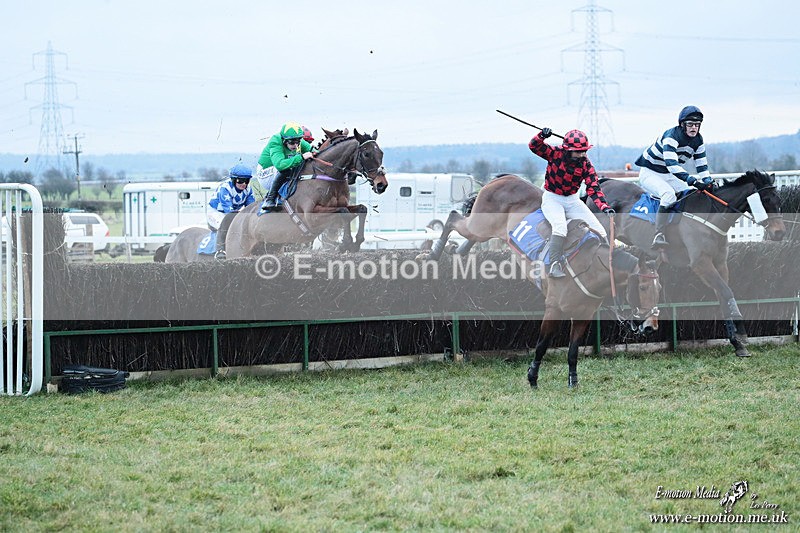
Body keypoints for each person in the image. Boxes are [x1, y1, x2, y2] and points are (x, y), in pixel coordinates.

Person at [529, 128, 614, 278]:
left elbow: (593, 188)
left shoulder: (586, 165)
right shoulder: (555, 153)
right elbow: (534, 146)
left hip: (572, 200)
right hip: (552, 198)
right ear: (568, 150)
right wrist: (542, 136)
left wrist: (604, 207)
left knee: (599, 230)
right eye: (578, 151)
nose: (581, 155)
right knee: (560, 227)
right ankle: (554, 264)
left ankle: (608, 263)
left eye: (584, 151)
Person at [635, 105, 714, 249]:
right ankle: (658, 235)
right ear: (682, 125)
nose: (693, 128)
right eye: (690, 124)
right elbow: (672, 165)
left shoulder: (698, 140)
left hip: (668, 174)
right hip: (650, 172)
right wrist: (693, 180)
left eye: (697, 125)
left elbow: (702, 165)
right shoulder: (671, 136)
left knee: (690, 193)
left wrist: (707, 180)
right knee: (669, 195)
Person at [257, 122, 314, 212]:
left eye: (298, 142)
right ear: (284, 140)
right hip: (265, 173)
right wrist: (302, 157)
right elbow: (280, 165)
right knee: (286, 169)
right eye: (292, 143)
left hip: (280, 169)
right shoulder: (275, 141)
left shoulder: (297, 140)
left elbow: (313, 151)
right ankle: (270, 199)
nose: (295, 146)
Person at [207, 163, 256, 259]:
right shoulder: (225, 188)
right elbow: (228, 211)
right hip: (216, 212)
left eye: (247, 180)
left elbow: (251, 208)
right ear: (233, 180)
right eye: (240, 181)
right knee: (225, 222)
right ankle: (220, 250)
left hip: (233, 213)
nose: (244, 184)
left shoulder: (249, 190)